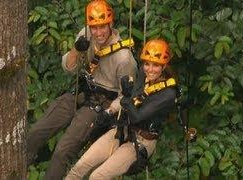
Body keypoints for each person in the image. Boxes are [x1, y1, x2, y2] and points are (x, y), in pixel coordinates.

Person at [26, 0, 137, 179]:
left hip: (99, 104)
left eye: (102, 27)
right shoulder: (86, 35)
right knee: (36, 132)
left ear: (111, 24)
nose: (98, 33)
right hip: (80, 92)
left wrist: (109, 112)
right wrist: (77, 50)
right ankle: (16, 169)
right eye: (94, 27)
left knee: (62, 151)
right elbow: (69, 67)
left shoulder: (124, 58)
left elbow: (127, 96)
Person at [65, 39, 178, 179]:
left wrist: (126, 96)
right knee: (80, 167)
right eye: (147, 64)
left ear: (164, 65)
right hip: (122, 129)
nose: (150, 69)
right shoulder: (144, 75)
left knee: (97, 176)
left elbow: (137, 115)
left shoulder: (168, 94)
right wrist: (114, 108)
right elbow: (131, 100)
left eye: (156, 65)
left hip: (141, 141)